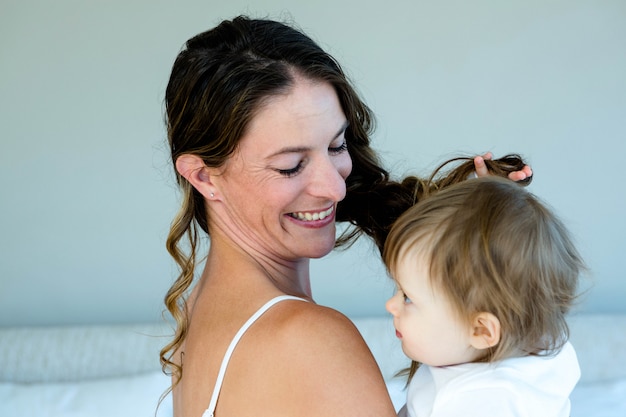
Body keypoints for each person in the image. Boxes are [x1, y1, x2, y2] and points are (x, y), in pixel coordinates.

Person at [160, 15, 532, 417]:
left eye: (336, 146)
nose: (335, 188)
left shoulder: (200, 310)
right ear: (203, 176)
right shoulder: (309, 340)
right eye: (290, 166)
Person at [384, 176, 584, 417]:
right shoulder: (526, 343)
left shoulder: (484, 401)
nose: (391, 306)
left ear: (481, 331)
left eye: (408, 298)